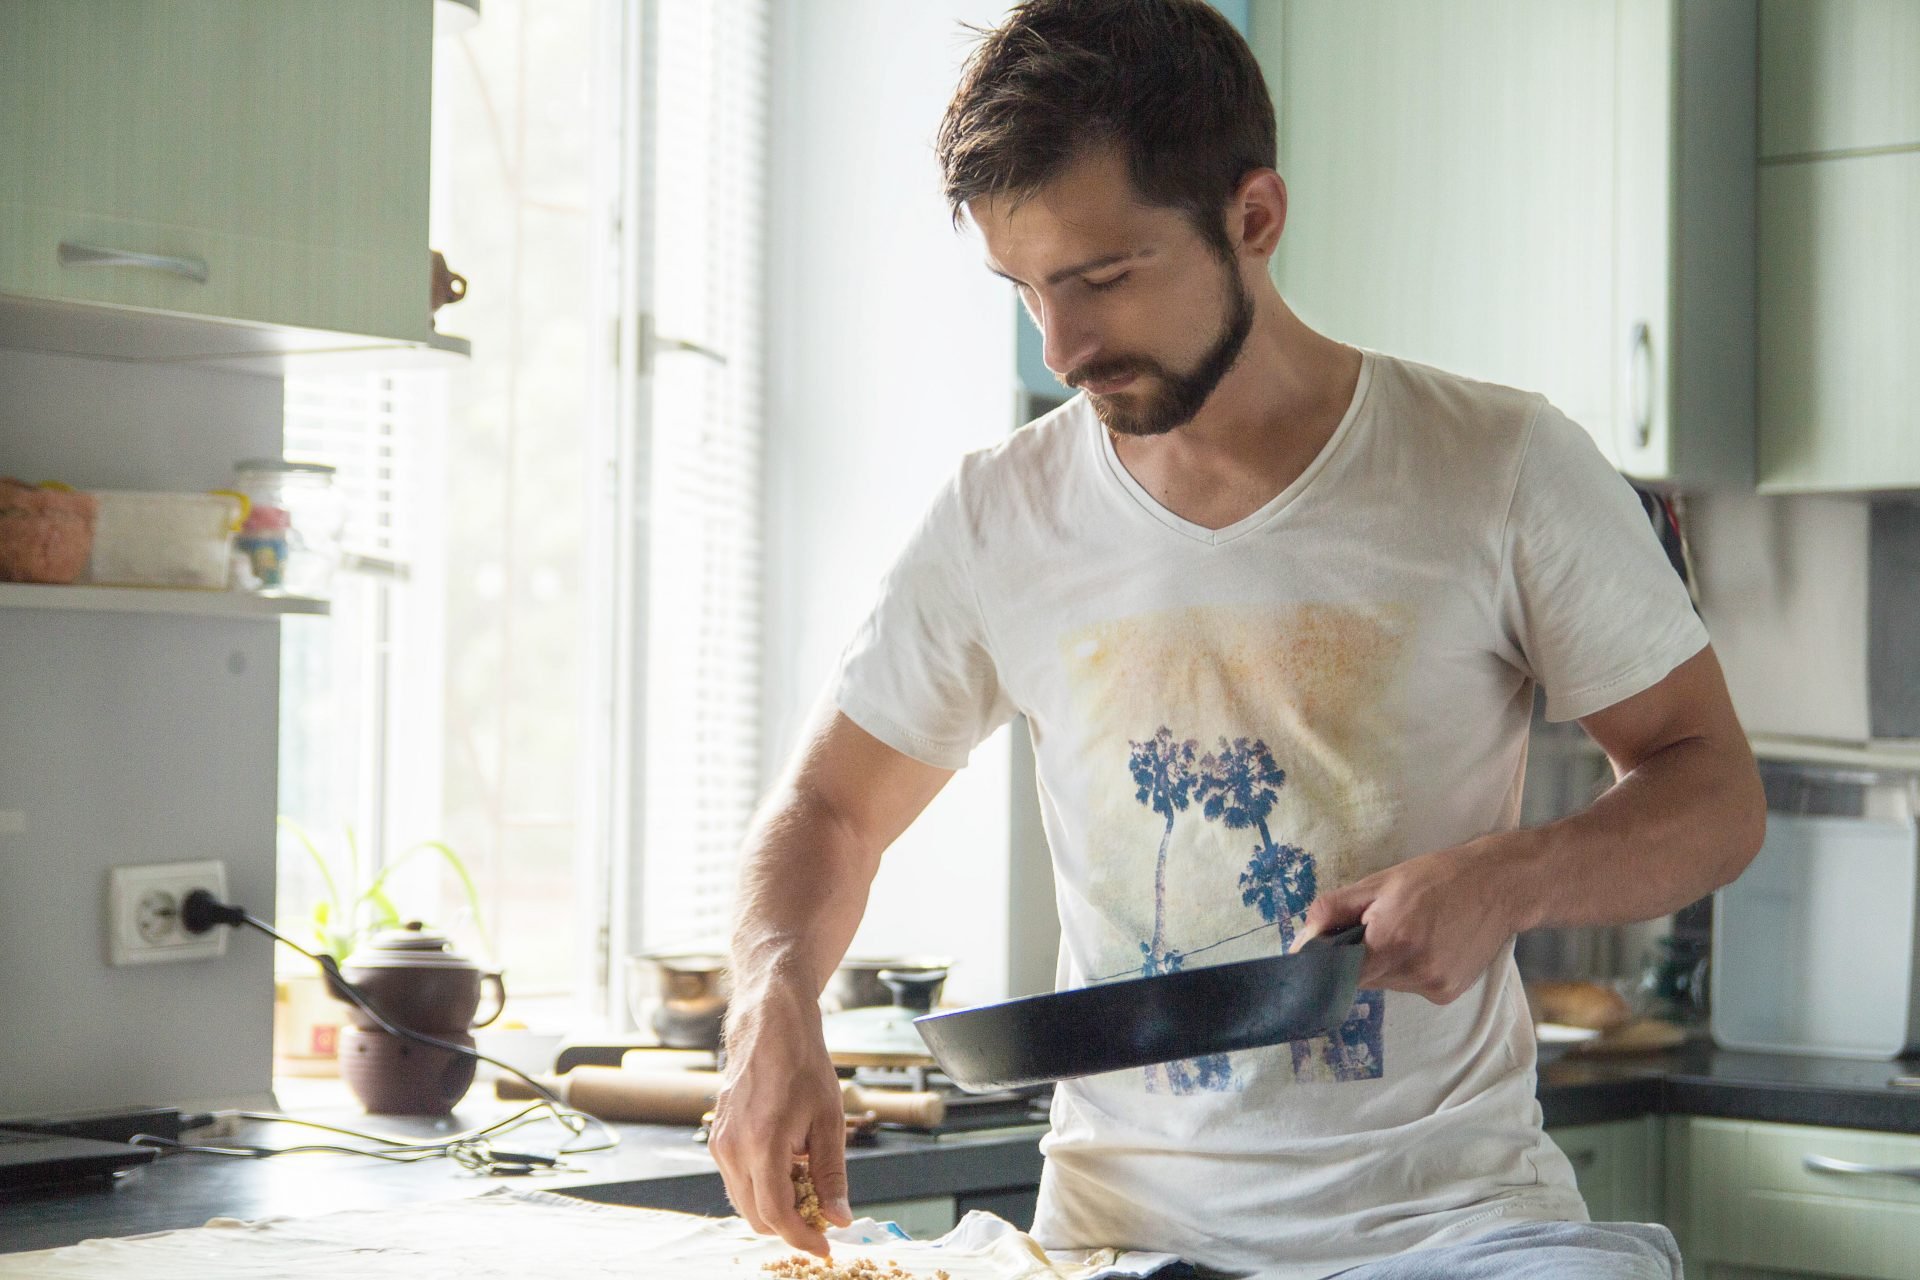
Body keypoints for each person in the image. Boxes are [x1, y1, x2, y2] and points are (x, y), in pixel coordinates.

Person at [708, 2, 1765, 1276]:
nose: (1061, 347)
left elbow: (1712, 790)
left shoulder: (1502, 464)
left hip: (1453, 1234)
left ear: (1254, 217)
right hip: (1117, 1241)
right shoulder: (997, 514)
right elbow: (829, 808)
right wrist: (772, 998)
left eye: (1103, 277)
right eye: (1025, 288)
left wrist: (1507, 877)